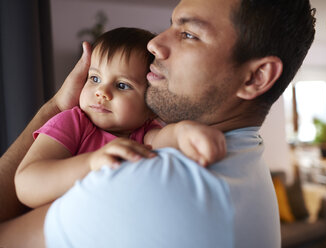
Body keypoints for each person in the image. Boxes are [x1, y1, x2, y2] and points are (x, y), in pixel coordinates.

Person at [0, 0, 316, 247]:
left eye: (189, 34)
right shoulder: (247, 156)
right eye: (171, 25)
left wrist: (53, 108)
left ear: (254, 77)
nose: (155, 44)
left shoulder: (145, 180)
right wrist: (58, 108)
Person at [13, 27, 226, 209]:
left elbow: (167, 137)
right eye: (95, 78)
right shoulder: (73, 122)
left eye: (122, 85)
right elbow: (26, 185)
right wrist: (92, 163)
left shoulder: (144, 133)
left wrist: (185, 131)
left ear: (152, 106)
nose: (101, 92)